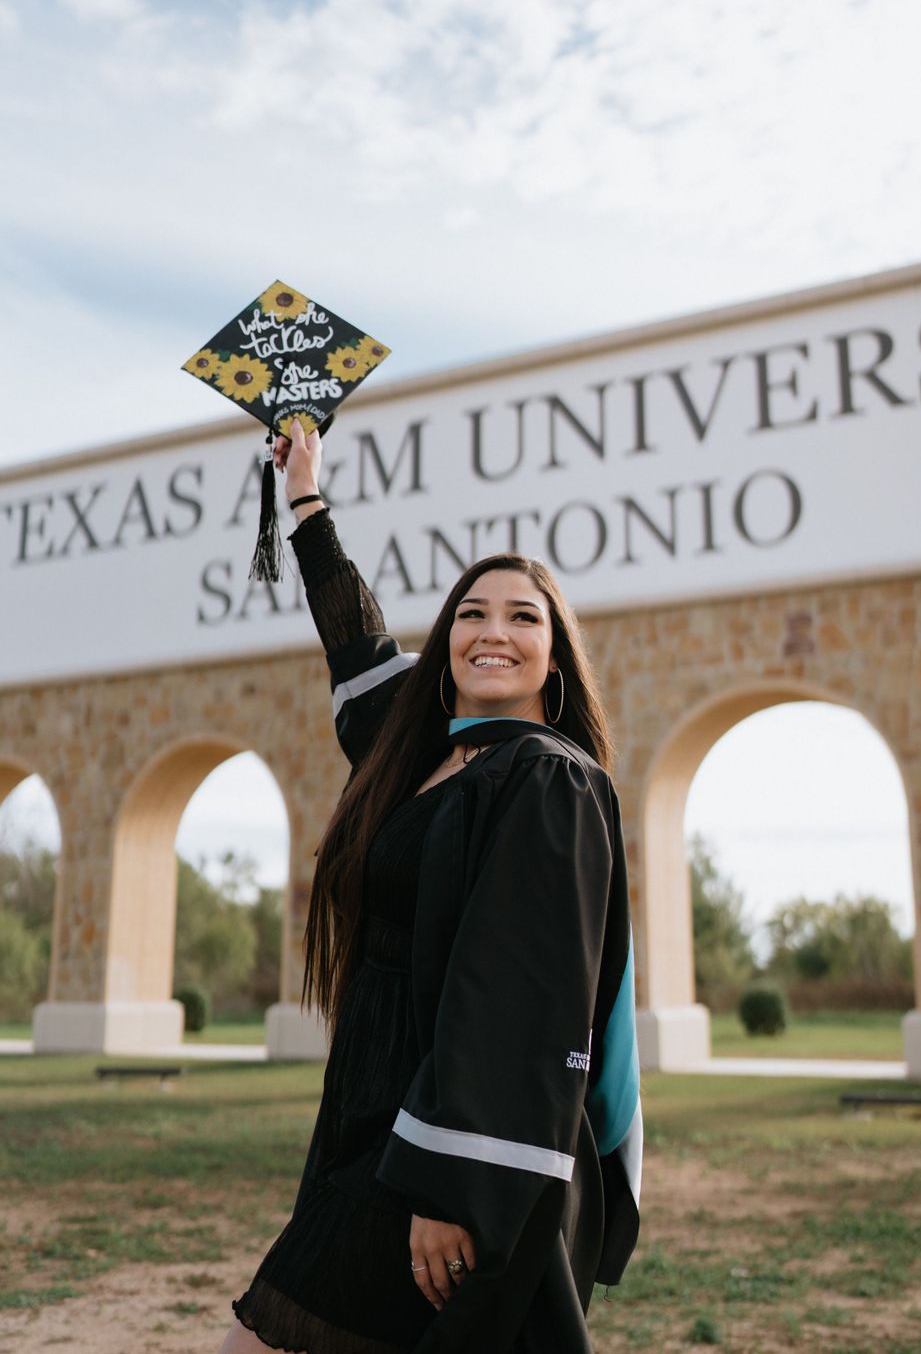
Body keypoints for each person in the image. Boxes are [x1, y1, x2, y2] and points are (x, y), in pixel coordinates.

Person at [220, 418, 641, 1354]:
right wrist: (305, 495)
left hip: (438, 1154)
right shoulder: (420, 763)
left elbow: (521, 1001)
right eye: (471, 614)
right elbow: (357, 638)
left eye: (523, 617)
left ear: (556, 661)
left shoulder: (546, 781)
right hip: (367, 1121)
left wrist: (453, 1185)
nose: (492, 632)